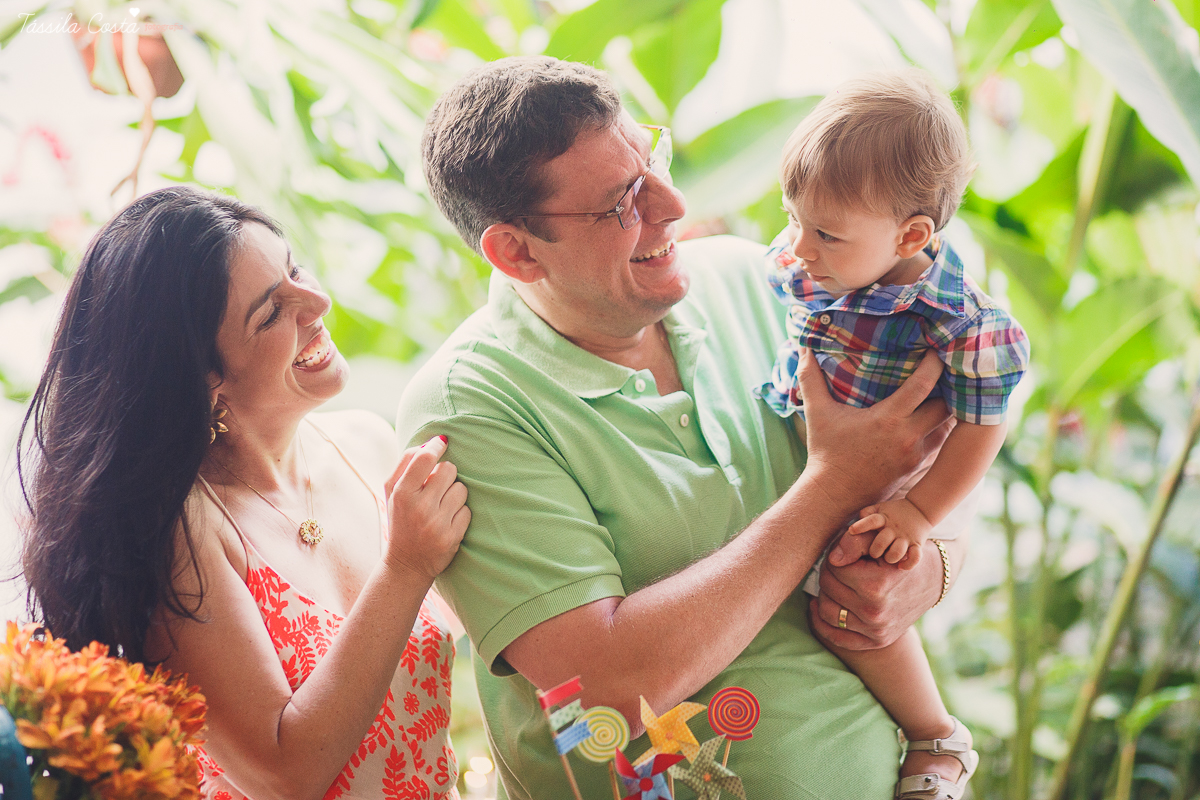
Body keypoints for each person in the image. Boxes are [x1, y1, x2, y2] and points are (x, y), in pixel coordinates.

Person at [399, 56, 965, 799]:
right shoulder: (471, 403)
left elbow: (926, 463)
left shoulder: (757, 282)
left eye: (652, 158)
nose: (672, 203)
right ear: (517, 251)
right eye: (622, 202)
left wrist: (928, 569)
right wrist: (832, 486)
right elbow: (605, 684)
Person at [17, 186, 470, 800]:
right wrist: (404, 567)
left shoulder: (367, 445)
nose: (318, 302)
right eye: (272, 312)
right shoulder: (175, 528)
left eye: (295, 271)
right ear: (204, 378)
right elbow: (285, 773)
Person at [756, 69, 1029, 799]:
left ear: (912, 235)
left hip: (889, 484)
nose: (799, 245)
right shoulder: (830, 257)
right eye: (793, 218)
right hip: (820, 450)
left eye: (823, 232)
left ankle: (934, 733)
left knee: (849, 604)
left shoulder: (963, 325)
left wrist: (918, 512)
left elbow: (980, 430)